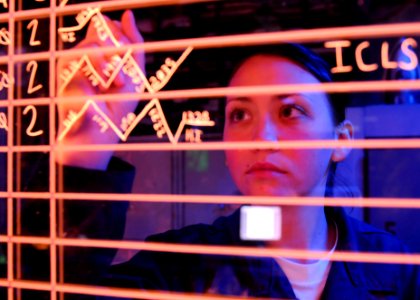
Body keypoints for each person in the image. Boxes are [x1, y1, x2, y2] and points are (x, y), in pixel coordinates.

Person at [54, 11, 419, 300]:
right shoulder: (179, 268)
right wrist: (86, 145)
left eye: (290, 111)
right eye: (239, 115)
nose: (261, 137)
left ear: (341, 140)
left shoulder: (396, 270)